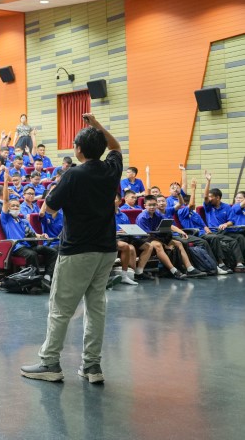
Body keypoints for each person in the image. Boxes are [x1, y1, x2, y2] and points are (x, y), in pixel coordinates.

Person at [20, 113, 120, 384]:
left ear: (78, 150)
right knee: (96, 308)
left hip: (78, 250)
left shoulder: (73, 174)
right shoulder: (112, 169)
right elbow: (116, 147)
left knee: (61, 308)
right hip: (106, 249)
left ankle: (50, 362)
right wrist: (97, 125)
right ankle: (92, 366)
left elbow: (50, 209)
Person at [136, 194, 200, 279]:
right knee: (158, 245)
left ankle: (189, 268)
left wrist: (180, 232)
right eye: (149, 205)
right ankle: (173, 270)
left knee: (178, 243)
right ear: (145, 206)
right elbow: (147, 236)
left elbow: (168, 225)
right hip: (144, 239)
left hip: (155, 237)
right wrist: (165, 244)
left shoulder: (157, 214)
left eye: (154, 205)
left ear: (156, 205)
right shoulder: (142, 218)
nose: (152, 207)